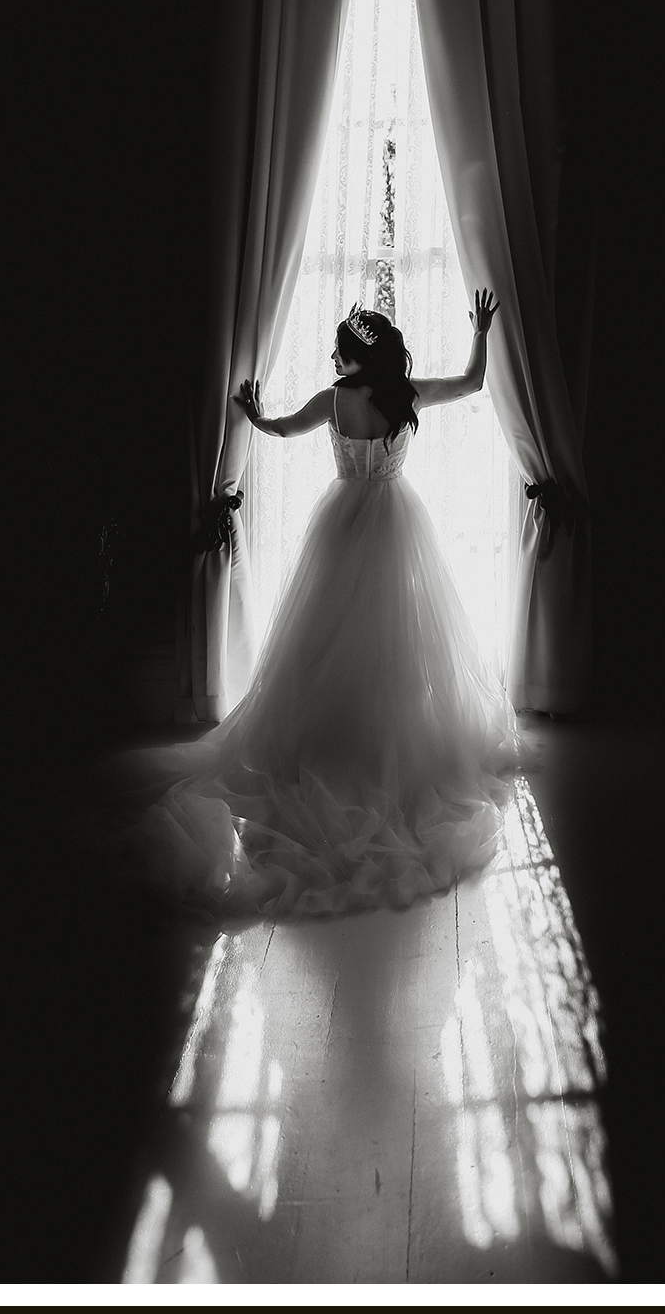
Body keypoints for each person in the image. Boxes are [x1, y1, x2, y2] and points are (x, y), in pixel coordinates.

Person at [89, 289, 526, 923]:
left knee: (325, 645)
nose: (335, 359)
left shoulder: (335, 401)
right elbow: (473, 381)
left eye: (342, 353)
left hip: (343, 522)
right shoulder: (405, 396)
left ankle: (331, 742)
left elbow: (284, 429)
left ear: (356, 359)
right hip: (398, 521)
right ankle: (384, 743)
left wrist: (253, 414)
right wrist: (481, 330)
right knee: (395, 644)